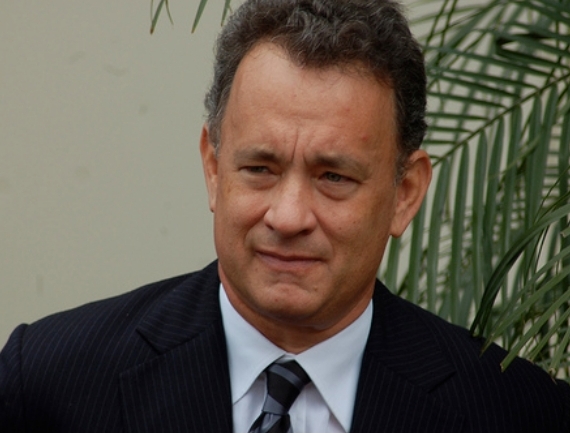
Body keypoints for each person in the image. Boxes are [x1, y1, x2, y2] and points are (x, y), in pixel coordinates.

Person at [1, 0, 569, 431]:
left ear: (405, 192)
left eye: (334, 177)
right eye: (260, 168)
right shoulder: (48, 383)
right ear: (213, 168)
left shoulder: (521, 412)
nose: (290, 216)